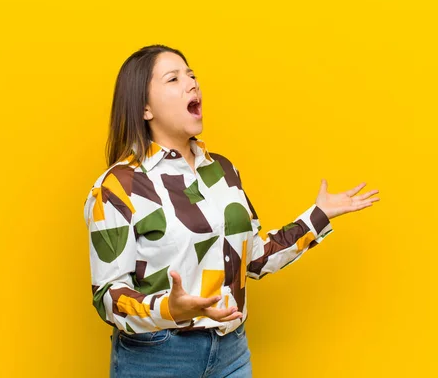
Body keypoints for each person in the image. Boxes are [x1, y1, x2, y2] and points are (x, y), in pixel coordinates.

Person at [83, 44, 380, 377]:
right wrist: (169, 309)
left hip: (231, 354)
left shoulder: (223, 171)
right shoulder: (117, 187)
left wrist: (318, 215)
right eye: (173, 78)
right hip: (158, 358)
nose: (192, 83)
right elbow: (107, 295)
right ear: (145, 108)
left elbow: (252, 260)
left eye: (192, 74)